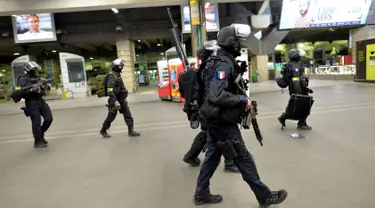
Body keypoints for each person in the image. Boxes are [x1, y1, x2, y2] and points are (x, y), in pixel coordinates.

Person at [193, 24, 287, 207]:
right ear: (232, 43)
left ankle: (201, 194)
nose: (241, 45)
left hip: (214, 121)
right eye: (239, 41)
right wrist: (243, 100)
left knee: (211, 158)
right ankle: (265, 196)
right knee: (243, 157)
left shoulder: (216, 61)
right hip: (222, 123)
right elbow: (216, 95)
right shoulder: (222, 64)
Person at [183, 41, 239, 173]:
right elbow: (212, 92)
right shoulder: (208, 69)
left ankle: (191, 155)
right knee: (221, 134)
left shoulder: (206, 68)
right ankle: (229, 162)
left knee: (210, 134)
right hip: (209, 108)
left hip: (207, 108)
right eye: (210, 53)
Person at [16, 61, 53, 148]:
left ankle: (41, 134)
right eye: (33, 69)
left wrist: (45, 87)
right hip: (31, 101)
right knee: (36, 122)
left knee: (49, 118)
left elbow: (44, 89)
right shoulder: (22, 79)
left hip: (40, 100)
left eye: (35, 69)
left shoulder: (37, 77)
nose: (34, 71)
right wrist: (33, 88)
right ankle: (37, 141)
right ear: (28, 70)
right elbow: (21, 91)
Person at [100, 59, 140, 138]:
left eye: (122, 66)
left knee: (128, 114)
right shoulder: (111, 76)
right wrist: (115, 101)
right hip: (114, 100)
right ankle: (103, 130)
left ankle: (131, 130)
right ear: (115, 66)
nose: (121, 67)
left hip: (121, 99)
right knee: (111, 117)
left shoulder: (117, 74)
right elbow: (110, 90)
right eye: (120, 66)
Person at [278, 49, 313, 130]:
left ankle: (284, 117)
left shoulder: (290, 65)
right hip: (298, 89)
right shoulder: (295, 66)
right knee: (304, 105)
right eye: (299, 55)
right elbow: (296, 80)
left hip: (297, 89)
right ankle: (301, 123)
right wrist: (299, 93)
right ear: (296, 56)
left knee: (294, 105)